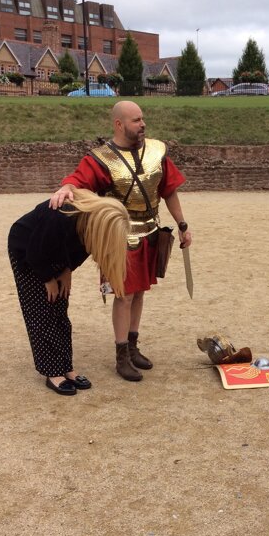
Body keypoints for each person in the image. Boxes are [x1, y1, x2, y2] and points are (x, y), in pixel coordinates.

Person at [50, 100, 192, 383]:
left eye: (142, 118)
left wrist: (182, 225)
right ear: (119, 124)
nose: (143, 124)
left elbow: (169, 191)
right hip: (118, 237)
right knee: (123, 295)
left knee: (139, 293)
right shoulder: (101, 159)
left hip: (150, 231)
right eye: (136, 120)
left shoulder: (156, 151)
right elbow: (77, 180)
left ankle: (133, 346)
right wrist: (66, 186)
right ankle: (121, 355)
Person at [8, 188, 130, 395]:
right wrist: (48, 279)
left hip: (56, 253)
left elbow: (84, 248)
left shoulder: (90, 226)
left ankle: (66, 366)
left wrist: (67, 270)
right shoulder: (59, 216)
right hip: (28, 253)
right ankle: (52, 372)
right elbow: (35, 252)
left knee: (60, 313)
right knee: (42, 313)